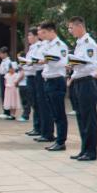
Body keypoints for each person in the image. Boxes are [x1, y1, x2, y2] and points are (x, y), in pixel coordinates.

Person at [67, 17, 97, 162]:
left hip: (87, 81)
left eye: (71, 28)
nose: (70, 31)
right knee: (81, 117)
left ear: (80, 26)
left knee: (88, 118)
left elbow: (91, 65)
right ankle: (84, 149)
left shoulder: (89, 43)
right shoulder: (79, 43)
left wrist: (75, 64)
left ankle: (91, 151)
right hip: (78, 81)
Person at [36, 23, 69, 151]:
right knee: (53, 113)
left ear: (51, 31)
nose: (42, 35)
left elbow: (63, 63)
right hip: (48, 80)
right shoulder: (48, 45)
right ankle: (57, 140)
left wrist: (48, 61)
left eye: (44, 32)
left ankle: (61, 141)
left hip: (57, 80)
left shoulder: (60, 45)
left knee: (59, 113)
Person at [23, 28, 47, 138]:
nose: (28, 37)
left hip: (35, 76)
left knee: (38, 102)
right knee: (34, 102)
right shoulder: (32, 48)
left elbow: (37, 63)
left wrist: (28, 64)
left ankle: (40, 127)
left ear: (36, 36)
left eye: (30, 35)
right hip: (30, 76)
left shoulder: (40, 46)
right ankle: (37, 126)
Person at [0, 47, 14, 119]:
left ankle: (7, 112)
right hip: (2, 76)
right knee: (3, 94)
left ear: (5, 53)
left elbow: (9, 71)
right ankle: (5, 111)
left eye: (1, 53)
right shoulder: (4, 61)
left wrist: (6, 79)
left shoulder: (8, 61)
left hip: (5, 77)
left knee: (6, 95)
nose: (0, 55)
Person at [16, 57, 32, 123]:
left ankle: (25, 115)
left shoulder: (24, 65)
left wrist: (16, 81)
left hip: (24, 85)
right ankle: (25, 114)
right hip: (23, 85)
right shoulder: (22, 65)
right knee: (24, 101)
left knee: (25, 101)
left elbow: (22, 75)